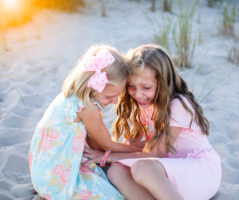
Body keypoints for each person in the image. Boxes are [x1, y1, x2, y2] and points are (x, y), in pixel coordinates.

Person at [84, 44, 222, 200]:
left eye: (146, 87)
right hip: (166, 173)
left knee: (142, 168)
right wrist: (105, 153)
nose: (138, 94)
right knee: (116, 170)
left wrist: (106, 156)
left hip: (199, 173)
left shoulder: (177, 105)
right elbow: (133, 146)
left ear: (163, 84)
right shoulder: (146, 105)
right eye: (132, 86)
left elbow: (156, 153)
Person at [29, 44, 140, 200]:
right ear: (93, 84)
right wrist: (135, 150)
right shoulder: (88, 108)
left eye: (118, 96)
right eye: (109, 97)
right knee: (113, 196)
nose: (114, 101)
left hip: (42, 168)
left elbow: (94, 141)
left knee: (102, 174)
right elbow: (106, 144)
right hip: (55, 178)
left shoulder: (71, 96)